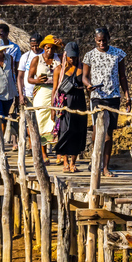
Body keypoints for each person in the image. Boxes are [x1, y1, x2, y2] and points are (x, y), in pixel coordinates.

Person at [82, 26, 131, 177]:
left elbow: (122, 76)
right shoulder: (89, 55)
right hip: (97, 96)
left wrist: (127, 96)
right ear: (95, 41)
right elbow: (84, 76)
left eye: (104, 40)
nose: (101, 43)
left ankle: (105, 167)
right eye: (99, 41)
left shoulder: (118, 54)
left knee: (109, 133)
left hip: (113, 96)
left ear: (109, 38)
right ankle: (95, 162)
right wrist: (88, 85)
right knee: (98, 130)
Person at [53, 42, 88, 172]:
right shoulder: (59, 70)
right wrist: (53, 109)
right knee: (65, 131)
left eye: (75, 57)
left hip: (79, 103)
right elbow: (55, 90)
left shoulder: (83, 67)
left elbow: (87, 84)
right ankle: (65, 162)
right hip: (65, 104)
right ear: (66, 55)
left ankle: (73, 163)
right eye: (70, 57)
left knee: (78, 131)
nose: (72, 59)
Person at [28, 35, 62, 163]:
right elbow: (29, 78)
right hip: (42, 91)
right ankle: (44, 153)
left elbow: (72, 59)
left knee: (58, 120)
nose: (50, 51)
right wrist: (36, 80)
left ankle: (59, 153)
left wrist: (63, 45)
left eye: (53, 48)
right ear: (43, 48)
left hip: (57, 92)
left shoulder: (60, 59)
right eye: (47, 48)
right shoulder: (37, 60)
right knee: (41, 120)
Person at [17, 33, 44, 150]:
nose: (35, 48)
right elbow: (20, 77)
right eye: (32, 46)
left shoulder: (46, 55)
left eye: (37, 45)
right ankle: (31, 147)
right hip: (28, 94)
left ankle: (43, 149)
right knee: (30, 121)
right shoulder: (26, 57)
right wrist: (21, 94)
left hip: (42, 93)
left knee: (42, 121)